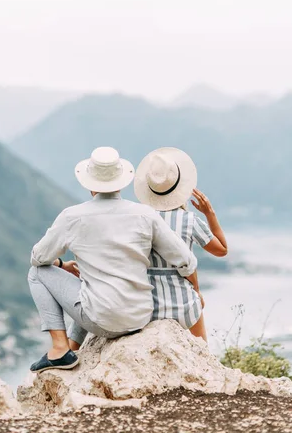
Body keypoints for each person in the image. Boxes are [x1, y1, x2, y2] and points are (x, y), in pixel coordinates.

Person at [28, 146, 199, 372]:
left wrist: (61, 264)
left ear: (89, 185)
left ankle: (60, 349)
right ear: (121, 182)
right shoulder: (145, 214)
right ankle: (71, 346)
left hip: (103, 321)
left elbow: (38, 258)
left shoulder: (72, 216)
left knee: (36, 274)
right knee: (91, 288)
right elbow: (186, 260)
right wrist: (195, 290)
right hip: (140, 317)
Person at [134, 147, 228, 342]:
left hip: (148, 306)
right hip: (184, 304)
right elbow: (222, 250)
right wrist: (209, 213)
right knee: (203, 355)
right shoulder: (189, 220)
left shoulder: (139, 219)